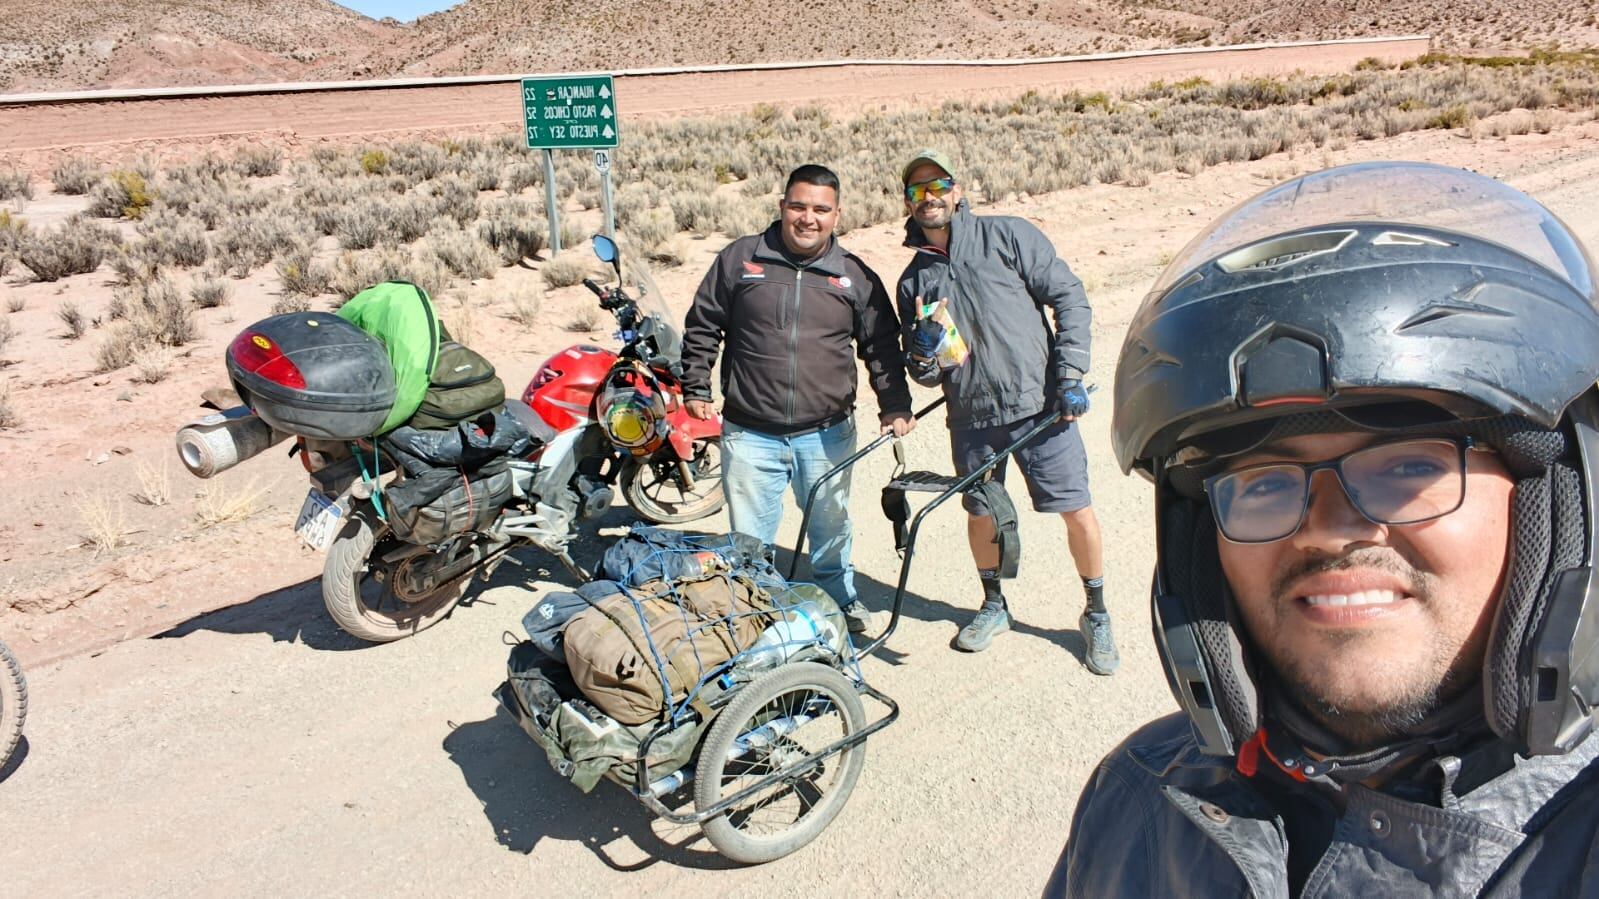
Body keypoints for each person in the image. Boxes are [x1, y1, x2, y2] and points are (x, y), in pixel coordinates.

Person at [1050, 161, 1599, 896]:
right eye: (1263, 482)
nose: (1327, 529)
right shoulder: (1139, 799)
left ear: (1555, 505)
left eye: (1406, 467)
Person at [896, 149, 1117, 673]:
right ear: (906, 202)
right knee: (980, 514)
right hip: (971, 415)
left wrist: (1069, 373)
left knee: (1075, 508)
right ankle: (994, 605)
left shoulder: (1009, 236)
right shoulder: (913, 280)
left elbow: (1070, 298)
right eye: (916, 191)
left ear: (957, 188)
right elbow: (926, 373)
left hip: (1041, 407)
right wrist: (922, 351)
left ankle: (1097, 612)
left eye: (937, 185)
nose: (929, 198)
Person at [681, 163, 913, 635]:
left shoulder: (854, 277)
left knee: (831, 527)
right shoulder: (741, 259)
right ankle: (752, 612)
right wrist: (695, 384)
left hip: (826, 434)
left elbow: (882, 346)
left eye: (821, 209)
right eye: (799, 206)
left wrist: (894, 404)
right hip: (750, 432)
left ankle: (839, 598)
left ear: (837, 215)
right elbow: (703, 323)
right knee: (749, 536)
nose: (808, 218)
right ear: (782, 206)